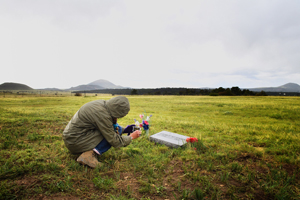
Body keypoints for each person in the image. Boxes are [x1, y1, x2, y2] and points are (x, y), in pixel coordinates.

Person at [63, 96, 141, 168]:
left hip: (74, 137)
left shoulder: (103, 105)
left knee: (116, 130)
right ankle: (88, 156)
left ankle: (90, 152)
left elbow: (109, 126)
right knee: (110, 135)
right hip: (74, 142)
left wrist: (125, 129)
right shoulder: (102, 114)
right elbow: (114, 140)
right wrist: (131, 137)